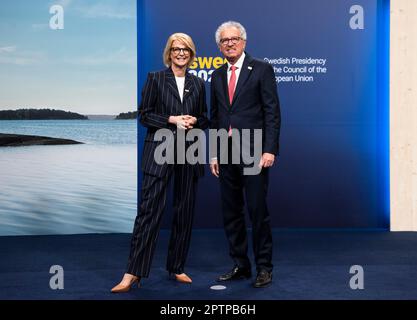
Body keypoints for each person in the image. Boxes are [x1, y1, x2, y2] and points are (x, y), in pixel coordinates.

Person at [111, 33, 209, 293]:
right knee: (148, 212)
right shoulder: (155, 78)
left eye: (186, 49)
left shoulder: (198, 84)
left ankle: (176, 267)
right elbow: (144, 116)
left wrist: (195, 121)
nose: (181, 53)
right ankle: (133, 272)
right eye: (176, 49)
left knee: (184, 212)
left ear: (191, 53)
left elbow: (205, 117)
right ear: (169, 53)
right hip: (160, 152)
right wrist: (172, 120)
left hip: (189, 152)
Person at [210, 21, 281, 288]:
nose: (229, 43)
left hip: (254, 151)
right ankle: (241, 265)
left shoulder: (261, 68)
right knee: (231, 212)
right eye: (224, 40)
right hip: (225, 152)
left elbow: (272, 112)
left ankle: (264, 267)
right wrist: (214, 153)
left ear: (244, 42)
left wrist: (269, 149)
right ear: (219, 46)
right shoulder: (217, 76)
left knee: (257, 210)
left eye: (234, 39)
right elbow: (217, 116)